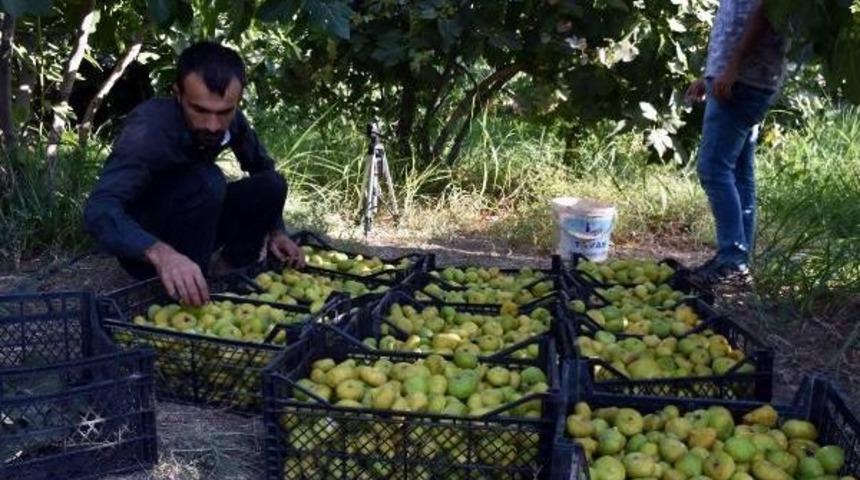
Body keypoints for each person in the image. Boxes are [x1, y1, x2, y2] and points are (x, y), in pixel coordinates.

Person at [84, 41, 304, 306]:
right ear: (177, 94)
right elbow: (100, 207)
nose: (213, 125)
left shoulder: (232, 121)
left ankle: (228, 271)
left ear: (236, 102)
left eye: (224, 112)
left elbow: (263, 168)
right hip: (148, 242)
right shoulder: (149, 130)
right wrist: (160, 253)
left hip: (198, 217)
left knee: (272, 184)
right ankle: (183, 288)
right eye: (199, 110)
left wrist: (276, 230)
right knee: (207, 179)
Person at [685, 0, 787, 284]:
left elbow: (764, 14)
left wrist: (731, 69)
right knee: (740, 172)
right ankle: (738, 260)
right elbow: (734, 22)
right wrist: (710, 76)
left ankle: (732, 260)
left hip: (743, 81)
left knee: (713, 169)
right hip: (740, 78)